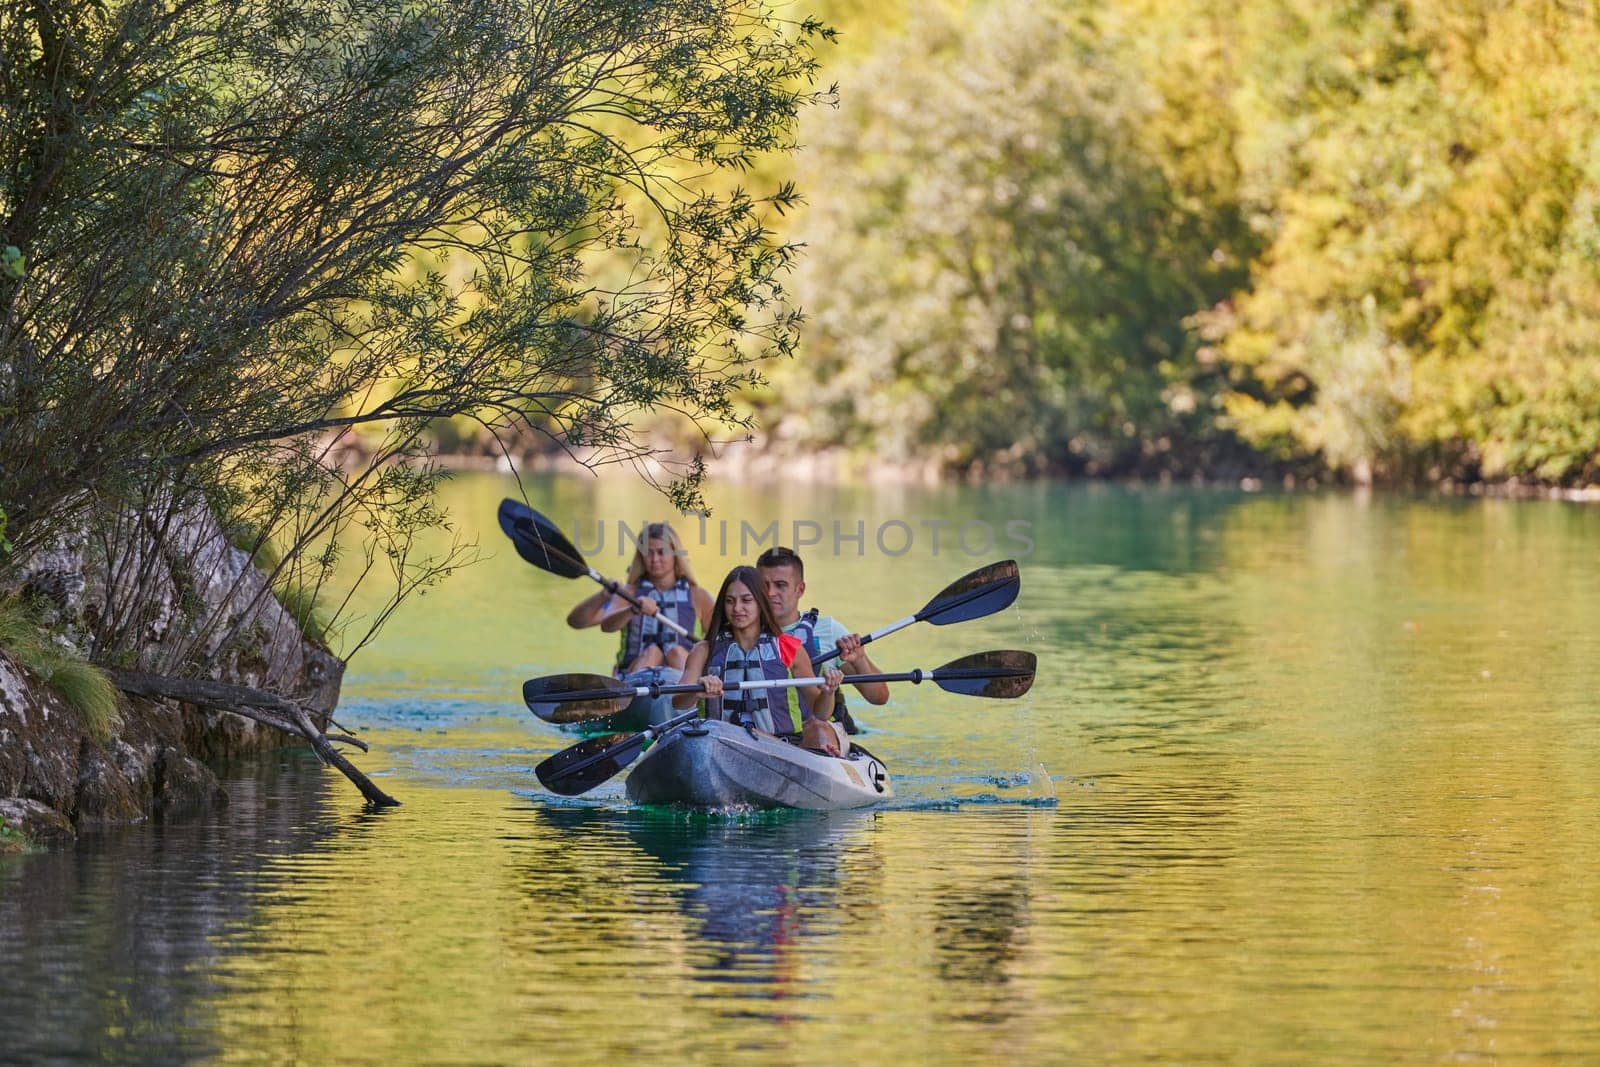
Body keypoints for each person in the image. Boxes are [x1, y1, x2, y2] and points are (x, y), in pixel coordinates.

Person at [674, 565, 848, 755]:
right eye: (730, 601)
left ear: (760, 603)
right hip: (718, 746)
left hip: (778, 747)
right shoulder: (704, 650)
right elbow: (678, 701)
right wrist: (698, 690)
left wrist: (829, 692)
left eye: (746, 600)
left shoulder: (789, 647)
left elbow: (821, 713)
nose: (737, 608)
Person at [565, 522, 713, 722]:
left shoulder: (698, 596)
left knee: (676, 652)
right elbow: (592, 624)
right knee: (652, 652)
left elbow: (719, 639)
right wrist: (626, 606)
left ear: (675, 555)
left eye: (661, 552)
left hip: (679, 679)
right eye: (648, 553)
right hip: (637, 677)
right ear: (640, 556)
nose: (654, 559)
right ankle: (630, 707)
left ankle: (685, 706)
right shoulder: (629, 593)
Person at [756, 546, 888, 736]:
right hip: (764, 734)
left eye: (780, 585)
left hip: (821, 732)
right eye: (764, 585)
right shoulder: (743, 632)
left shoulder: (829, 630)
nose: (770, 593)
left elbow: (879, 698)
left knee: (817, 730)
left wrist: (860, 661)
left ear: (799, 589)